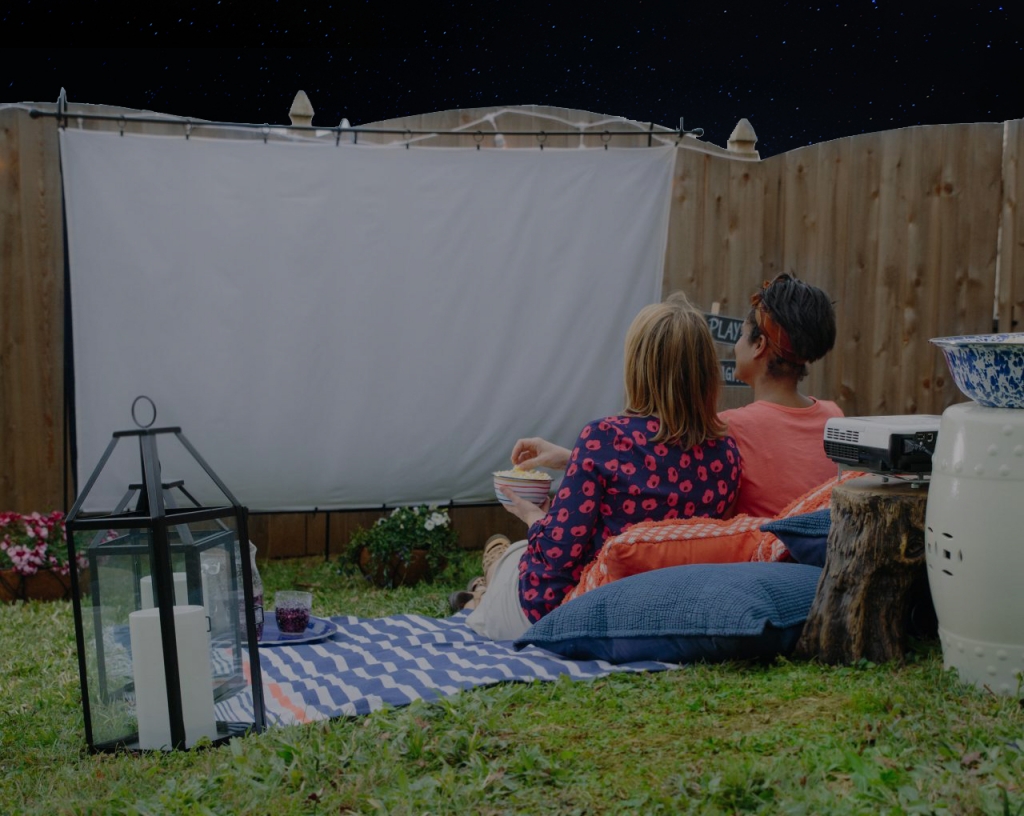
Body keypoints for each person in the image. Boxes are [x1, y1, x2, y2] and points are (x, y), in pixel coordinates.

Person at [463, 292, 742, 640]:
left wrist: (531, 515)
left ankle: (483, 588)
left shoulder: (606, 437)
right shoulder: (727, 455)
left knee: (513, 558)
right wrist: (574, 458)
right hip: (659, 614)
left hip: (567, 614)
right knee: (511, 559)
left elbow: (556, 553)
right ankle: (485, 585)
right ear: (706, 372)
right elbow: (659, 482)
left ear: (637, 367)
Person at [512, 274, 841, 520]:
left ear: (759, 346)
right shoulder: (833, 417)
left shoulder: (729, 430)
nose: (736, 344)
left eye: (742, 335)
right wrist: (574, 458)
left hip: (755, 570)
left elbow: (653, 478)